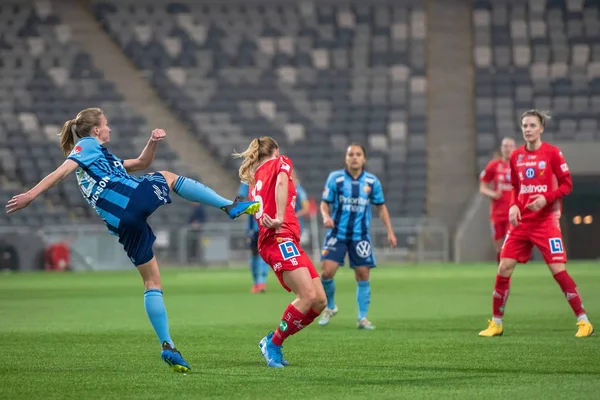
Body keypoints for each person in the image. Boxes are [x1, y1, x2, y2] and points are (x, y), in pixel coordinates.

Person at [5, 108, 260, 372]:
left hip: (121, 223)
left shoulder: (102, 157)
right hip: (127, 202)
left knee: (152, 282)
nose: (109, 128)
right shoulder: (87, 145)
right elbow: (62, 170)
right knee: (169, 177)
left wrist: (151, 143)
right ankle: (228, 207)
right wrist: (31, 195)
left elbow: (140, 164)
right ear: (95, 130)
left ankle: (168, 346)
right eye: (106, 124)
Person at [479, 110, 594, 338]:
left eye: (532, 125)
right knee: (503, 268)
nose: (528, 129)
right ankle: (497, 322)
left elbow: (567, 185)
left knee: (558, 270)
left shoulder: (552, 153)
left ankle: (583, 321)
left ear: (541, 128)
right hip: (521, 223)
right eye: (524, 126)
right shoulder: (516, 156)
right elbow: (514, 186)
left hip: (546, 223)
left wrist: (546, 198)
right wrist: (513, 206)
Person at [233, 136, 327, 368]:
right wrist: (280, 219)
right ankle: (273, 344)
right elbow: (282, 184)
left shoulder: (255, 181)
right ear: (277, 150)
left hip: (284, 240)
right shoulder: (280, 163)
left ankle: (273, 340)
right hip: (279, 237)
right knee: (308, 297)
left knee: (320, 301)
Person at [318, 144, 397, 329]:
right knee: (326, 272)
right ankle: (330, 306)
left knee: (363, 275)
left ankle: (362, 318)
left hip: (360, 236)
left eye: (358, 154)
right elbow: (324, 204)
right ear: (346, 158)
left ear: (364, 159)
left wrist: (390, 231)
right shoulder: (335, 178)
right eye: (350, 154)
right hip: (337, 233)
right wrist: (326, 216)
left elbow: (381, 207)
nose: (354, 157)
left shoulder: (371, 182)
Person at [479, 137, 516, 262]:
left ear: (514, 148)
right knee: (499, 248)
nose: (507, 149)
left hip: (512, 213)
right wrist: (493, 194)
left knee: (509, 245)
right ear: (501, 148)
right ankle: (501, 271)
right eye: (505, 146)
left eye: (510, 146)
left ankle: (507, 272)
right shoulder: (494, 165)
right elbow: (482, 187)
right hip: (497, 213)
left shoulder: (519, 166)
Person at [238, 182, 269, 293]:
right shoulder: (249, 179)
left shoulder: (267, 178)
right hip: (254, 226)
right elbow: (240, 197)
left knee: (263, 253)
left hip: (265, 224)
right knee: (255, 253)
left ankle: (261, 281)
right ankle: (256, 281)